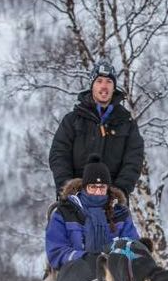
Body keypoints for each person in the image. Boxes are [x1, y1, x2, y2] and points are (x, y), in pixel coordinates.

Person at [40, 155, 140, 281]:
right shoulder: (66, 212)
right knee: (77, 269)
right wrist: (84, 257)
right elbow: (56, 250)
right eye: (93, 187)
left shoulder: (120, 213)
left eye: (102, 187)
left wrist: (117, 256)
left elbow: (132, 245)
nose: (98, 192)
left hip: (112, 265)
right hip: (78, 265)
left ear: (108, 188)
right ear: (84, 187)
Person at [49, 59, 144, 199]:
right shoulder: (72, 120)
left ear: (114, 87)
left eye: (109, 82)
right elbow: (59, 155)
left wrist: (119, 192)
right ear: (92, 86)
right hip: (76, 200)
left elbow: (134, 160)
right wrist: (68, 189)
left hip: (112, 202)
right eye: (99, 81)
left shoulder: (127, 123)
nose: (104, 86)